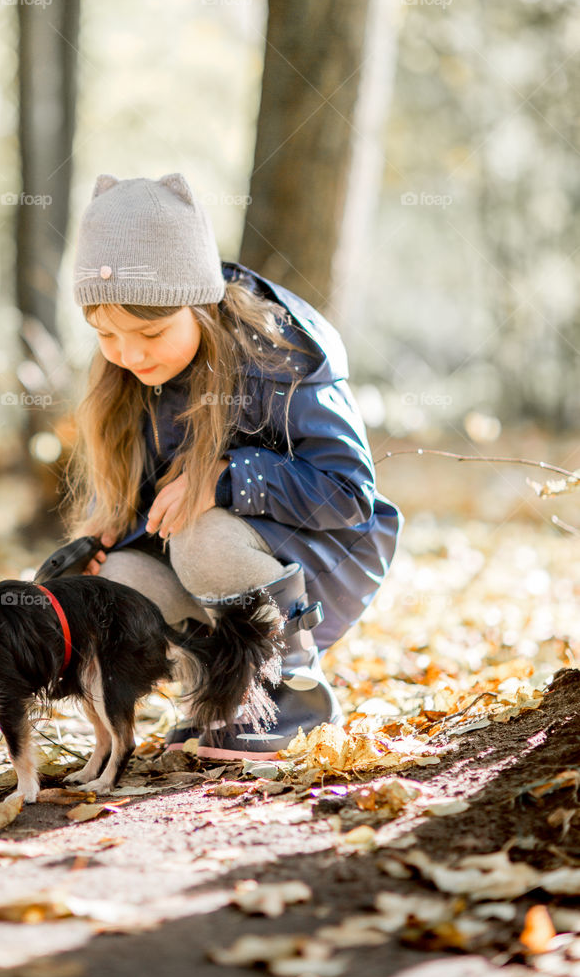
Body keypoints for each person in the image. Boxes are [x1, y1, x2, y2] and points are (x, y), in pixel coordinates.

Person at [61, 171, 403, 760]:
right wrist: (107, 529)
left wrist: (225, 479)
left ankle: (290, 695)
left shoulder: (281, 353)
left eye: (150, 331)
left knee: (201, 533)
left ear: (201, 302)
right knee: (118, 579)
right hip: (218, 559)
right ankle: (213, 698)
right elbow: (152, 504)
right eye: (106, 335)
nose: (130, 354)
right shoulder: (131, 373)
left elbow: (350, 492)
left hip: (322, 546)